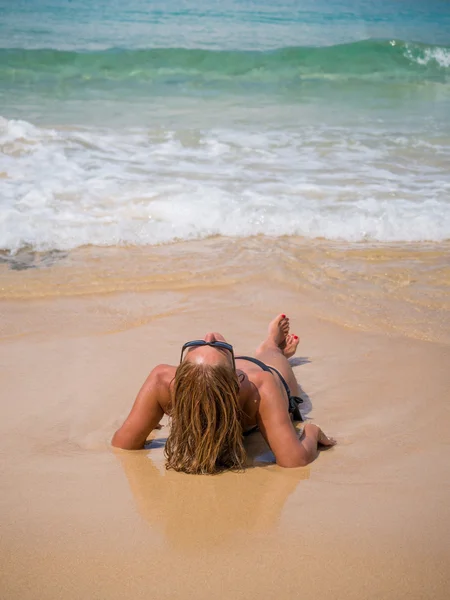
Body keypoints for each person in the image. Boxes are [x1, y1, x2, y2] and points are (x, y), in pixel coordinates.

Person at [112, 314, 336, 474]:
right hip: (269, 373)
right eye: (216, 346)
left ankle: (271, 343)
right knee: (271, 355)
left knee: (232, 362)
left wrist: (151, 415)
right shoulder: (260, 387)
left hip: (230, 374)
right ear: (237, 379)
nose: (209, 335)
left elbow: (123, 443)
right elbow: (295, 460)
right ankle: (272, 347)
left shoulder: (163, 379)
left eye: (201, 344)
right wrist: (312, 431)